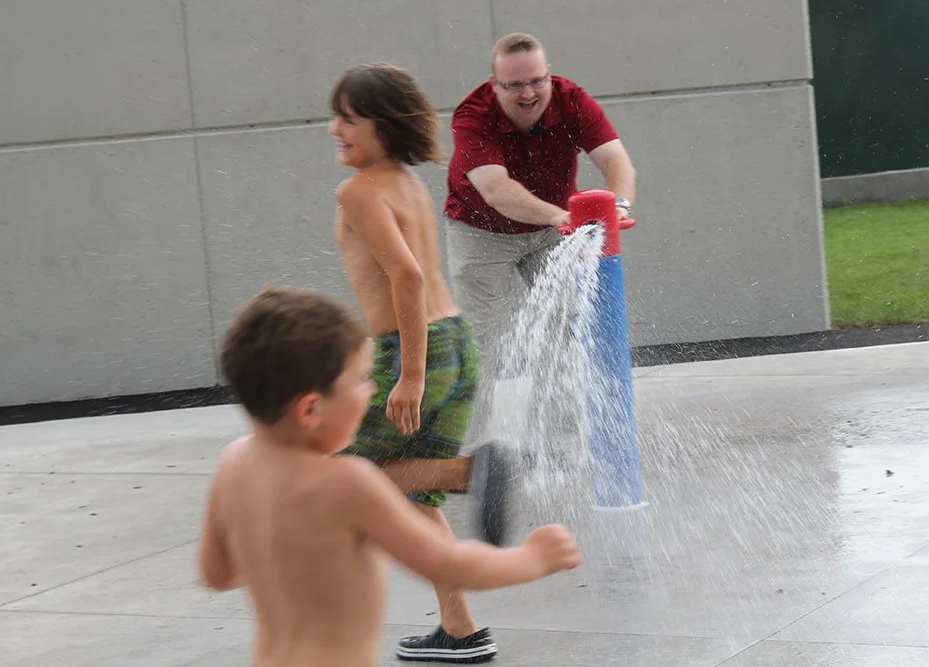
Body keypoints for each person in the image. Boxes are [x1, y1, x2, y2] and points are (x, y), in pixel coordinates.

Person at [198, 285, 581, 667]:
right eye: (362, 380)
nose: (372, 390)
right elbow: (448, 565)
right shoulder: (348, 483)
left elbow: (217, 573)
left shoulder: (233, 463)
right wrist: (533, 559)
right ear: (311, 409)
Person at [327, 63, 513, 662]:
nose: (335, 128)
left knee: (341, 480)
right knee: (411, 495)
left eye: (349, 119)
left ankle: (469, 474)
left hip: (415, 352)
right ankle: (460, 629)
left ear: (382, 125)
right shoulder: (405, 181)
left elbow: (404, 275)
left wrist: (406, 374)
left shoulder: (358, 191)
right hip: (456, 342)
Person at [443, 33, 638, 436]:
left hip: (550, 229)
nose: (528, 93)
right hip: (481, 232)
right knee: (484, 344)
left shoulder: (571, 99)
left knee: (564, 332)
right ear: (494, 85)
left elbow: (615, 159)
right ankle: (476, 454)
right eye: (514, 85)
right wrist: (565, 217)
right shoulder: (472, 116)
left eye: (536, 81)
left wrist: (618, 206)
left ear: (549, 75)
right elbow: (497, 192)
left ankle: (560, 445)